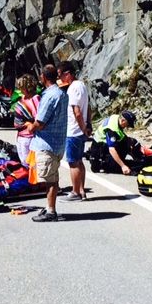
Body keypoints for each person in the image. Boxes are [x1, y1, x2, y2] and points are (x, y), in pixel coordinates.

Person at [25, 64, 69, 222]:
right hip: (58, 143)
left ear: (43, 77)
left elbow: (40, 122)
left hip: (47, 143)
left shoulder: (49, 96)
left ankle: (51, 211)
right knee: (53, 177)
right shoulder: (62, 94)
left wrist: (31, 126)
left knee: (49, 179)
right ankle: (50, 206)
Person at [58, 61, 90, 202]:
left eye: (60, 75)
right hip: (80, 130)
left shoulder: (72, 88)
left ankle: (75, 192)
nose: (60, 79)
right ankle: (82, 191)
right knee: (79, 161)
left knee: (73, 163)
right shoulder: (82, 85)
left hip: (73, 131)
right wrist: (87, 126)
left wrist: (83, 128)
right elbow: (89, 108)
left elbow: (76, 112)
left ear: (68, 74)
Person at [89, 111, 139, 175]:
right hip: (100, 149)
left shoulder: (116, 118)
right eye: (128, 124)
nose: (127, 127)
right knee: (118, 166)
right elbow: (112, 149)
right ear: (123, 121)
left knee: (131, 141)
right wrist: (123, 166)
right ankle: (111, 164)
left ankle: (139, 158)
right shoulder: (112, 130)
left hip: (103, 144)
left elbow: (121, 136)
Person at [11, 74, 40, 168]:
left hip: (29, 137)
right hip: (21, 135)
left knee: (30, 163)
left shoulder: (35, 98)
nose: (19, 89)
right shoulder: (23, 98)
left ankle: (33, 182)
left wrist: (29, 124)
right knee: (24, 162)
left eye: (21, 87)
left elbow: (38, 118)